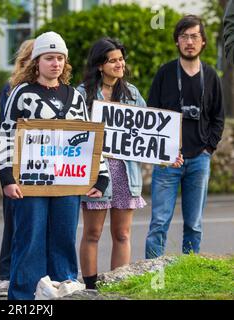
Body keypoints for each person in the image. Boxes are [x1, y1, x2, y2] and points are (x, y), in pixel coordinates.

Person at [0, 31, 109, 300]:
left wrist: (100, 176)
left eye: (60, 58)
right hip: (30, 182)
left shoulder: (76, 97)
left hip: (67, 182)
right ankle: (23, 297)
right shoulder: (22, 94)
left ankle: (64, 291)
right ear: (37, 61)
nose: (55, 63)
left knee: (63, 239)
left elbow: (88, 140)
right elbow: (6, 133)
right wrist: (6, 176)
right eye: (49, 58)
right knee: (29, 239)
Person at [145, 15, 224, 259]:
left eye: (194, 36)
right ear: (177, 42)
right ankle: (153, 276)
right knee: (158, 223)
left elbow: (218, 118)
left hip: (199, 159)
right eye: (184, 36)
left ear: (203, 42)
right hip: (168, 161)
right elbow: (151, 116)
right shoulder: (165, 73)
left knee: (194, 225)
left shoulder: (211, 76)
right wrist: (164, 152)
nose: (189, 41)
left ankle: (187, 274)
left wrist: (207, 149)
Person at [76, 37, 151, 290]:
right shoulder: (83, 94)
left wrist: (168, 153)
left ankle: (118, 284)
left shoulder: (132, 94)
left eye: (121, 59)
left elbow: (148, 134)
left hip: (125, 172)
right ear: (100, 65)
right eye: (113, 61)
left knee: (122, 234)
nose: (119, 64)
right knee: (92, 233)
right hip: (97, 173)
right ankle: (90, 286)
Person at [0, 39, 34, 298]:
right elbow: (3, 127)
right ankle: (7, 276)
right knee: (13, 221)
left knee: (37, 223)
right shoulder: (11, 88)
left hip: (45, 165)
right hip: (16, 162)